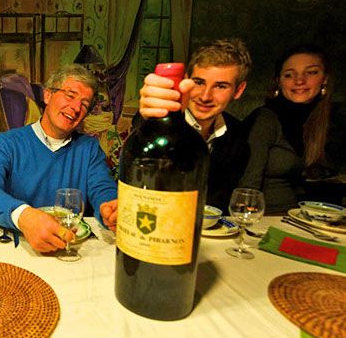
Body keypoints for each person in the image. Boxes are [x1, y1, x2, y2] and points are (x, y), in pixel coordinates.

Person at [0, 65, 118, 253]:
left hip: (71, 245)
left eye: (84, 104)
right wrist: (25, 217)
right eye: (70, 96)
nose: (76, 107)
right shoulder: (6, 143)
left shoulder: (89, 148)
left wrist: (109, 209)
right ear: (47, 95)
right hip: (18, 247)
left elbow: (103, 189)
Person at [131, 38, 253, 213]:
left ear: (239, 90)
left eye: (220, 86)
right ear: (186, 80)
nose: (205, 96)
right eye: (199, 82)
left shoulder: (237, 135)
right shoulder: (157, 124)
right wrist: (152, 115)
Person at [239, 44, 345, 213]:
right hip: (266, 217)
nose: (299, 81)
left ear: (325, 79)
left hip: (301, 215)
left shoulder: (323, 120)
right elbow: (246, 189)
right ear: (278, 82)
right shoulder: (265, 120)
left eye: (311, 72)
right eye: (289, 75)